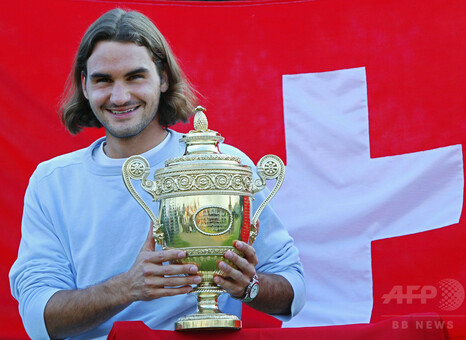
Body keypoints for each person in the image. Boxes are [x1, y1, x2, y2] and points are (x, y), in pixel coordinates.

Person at [9, 8, 305, 340]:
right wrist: (126, 287)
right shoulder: (52, 183)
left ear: (162, 78)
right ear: (85, 86)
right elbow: (37, 318)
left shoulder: (225, 165)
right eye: (103, 80)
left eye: (135, 77)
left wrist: (248, 286)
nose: (119, 97)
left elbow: (293, 291)